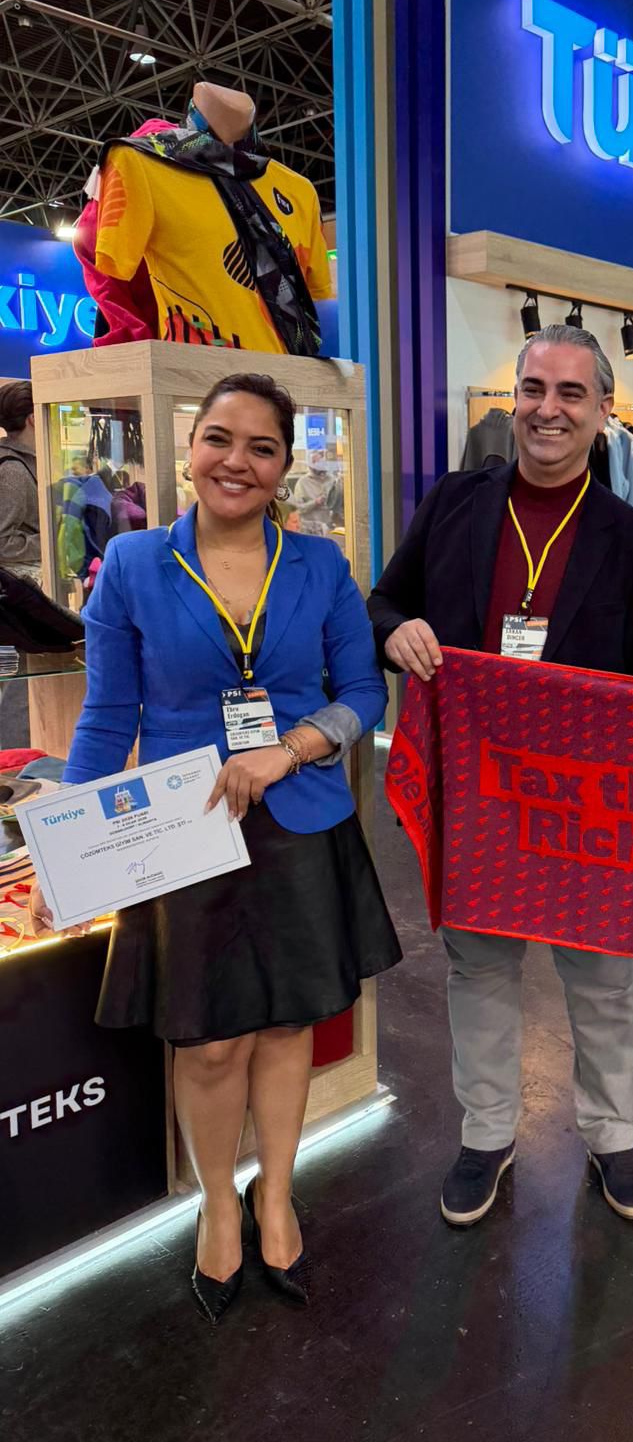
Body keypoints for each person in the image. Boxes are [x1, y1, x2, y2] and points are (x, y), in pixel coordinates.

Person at [367, 323, 633, 1231]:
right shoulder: (455, 504)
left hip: (586, 809)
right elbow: (386, 599)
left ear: (602, 411)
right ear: (514, 397)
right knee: (479, 969)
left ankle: (613, 1133)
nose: (547, 410)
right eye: (534, 389)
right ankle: (486, 1133)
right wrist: (395, 632)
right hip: (479, 796)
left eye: (570, 394)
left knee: (603, 977)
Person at [33, 372, 401, 1324]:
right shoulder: (132, 564)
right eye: (219, 440)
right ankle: (217, 1203)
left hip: (300, 818)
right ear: (191, 449)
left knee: (285, 1026)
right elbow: (108, 714)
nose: (237, 462)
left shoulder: (318, 564)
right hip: (183, 832)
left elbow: (364, 692)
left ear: (284, 465)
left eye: (262, 447)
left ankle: (275, 1193)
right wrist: (65, 848)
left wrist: (294, 747)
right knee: (206, 1042)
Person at [0, 380, 41, 587]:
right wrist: (53, 540)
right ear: (33, 418)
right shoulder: (13, 470)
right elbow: (3, 544)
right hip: (22, 586)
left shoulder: (20, 460)